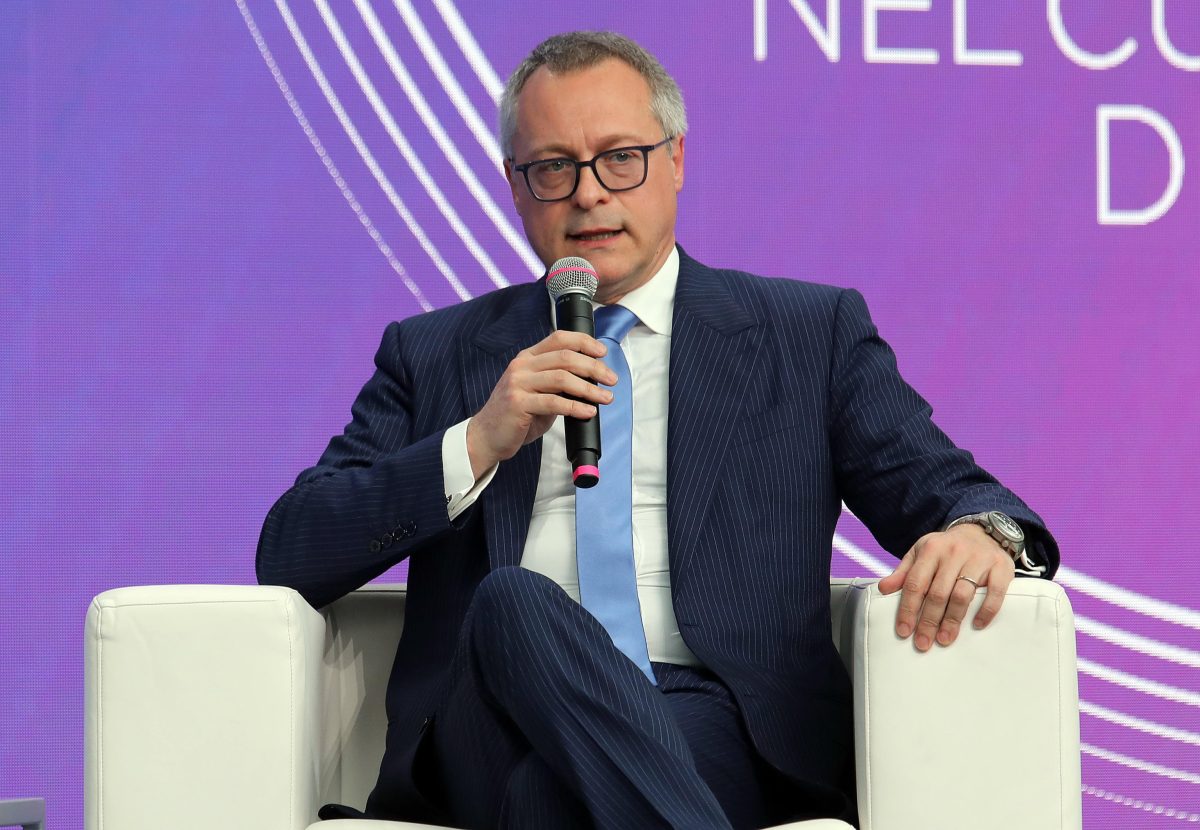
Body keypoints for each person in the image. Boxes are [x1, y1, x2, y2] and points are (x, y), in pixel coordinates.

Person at [257, 31, 1058, 830]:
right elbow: (291, 551)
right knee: (510, 603)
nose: (588, 194)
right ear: (515, 186)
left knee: (546, 798)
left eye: (620, 159)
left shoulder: (808, 335)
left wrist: (980, 532)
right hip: (486, 714)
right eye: (553, 168)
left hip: (712, 714)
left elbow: (950, 489)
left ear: (675, 159)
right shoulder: (434, 353)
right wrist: (478, 440)